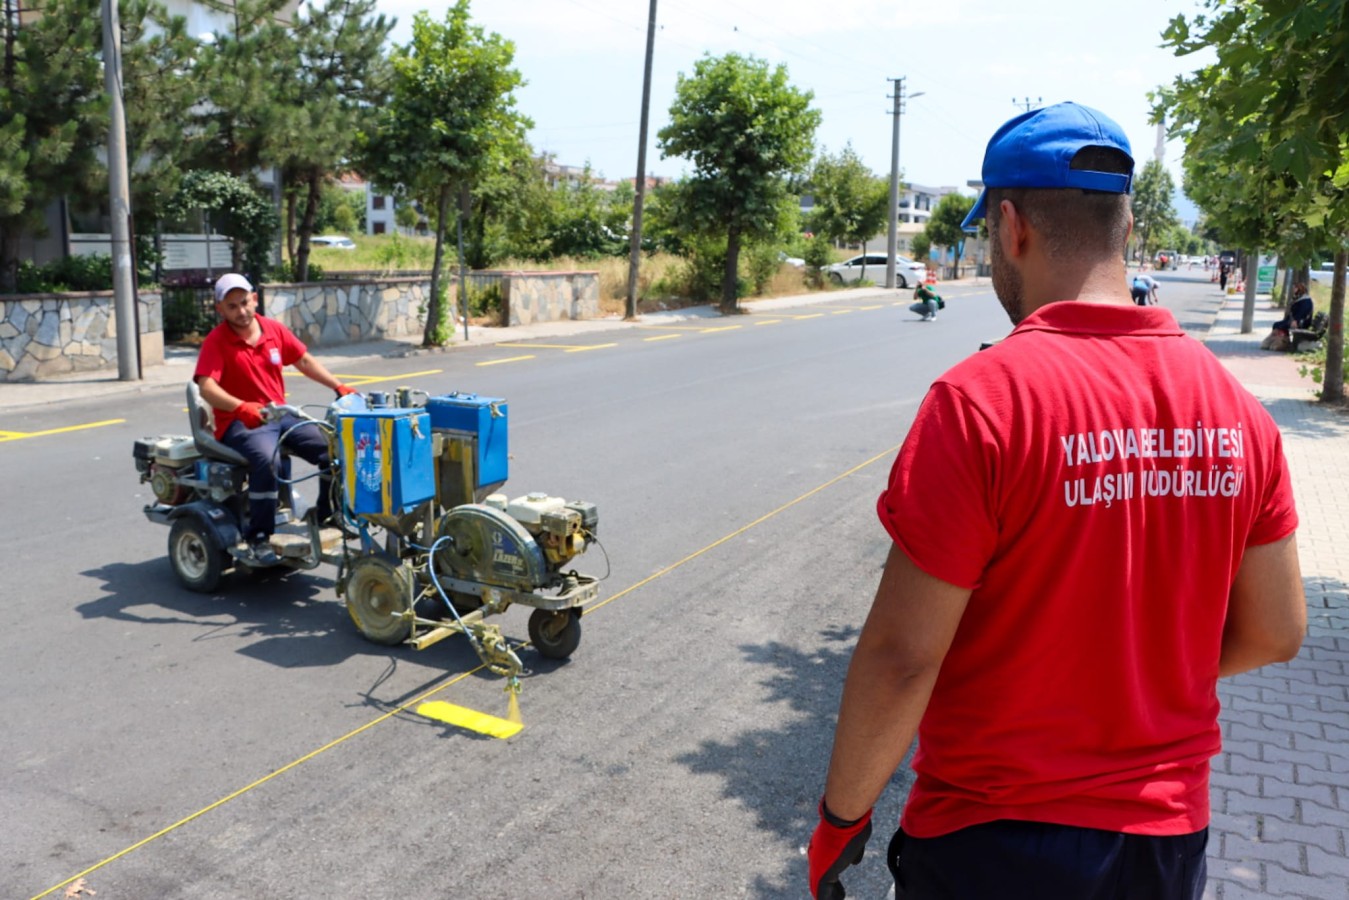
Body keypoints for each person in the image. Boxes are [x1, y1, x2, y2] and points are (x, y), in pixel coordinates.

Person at [808, 102, 1305, 900]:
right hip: (1166, 842)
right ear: (1127, 225)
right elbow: (1277, 632)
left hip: (994, 841)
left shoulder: (981, 403)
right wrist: (1140, 679)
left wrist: (841, 820)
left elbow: (902, 657)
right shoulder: (1235, 410)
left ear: (1010, 227)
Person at [194, 273, 357, 565]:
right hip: (241, 421)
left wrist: (338, 386)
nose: (241, 311)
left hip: (279, 414)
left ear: (255, 299)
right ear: (220, 309)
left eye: (244, 302)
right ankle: (259, 537)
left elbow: (303, 359)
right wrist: (240, 407)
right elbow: (206, 387)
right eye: (232, 306)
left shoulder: (273, 330)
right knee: (268, 462)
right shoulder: (216, 341)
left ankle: (328, 515)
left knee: (333, 450)